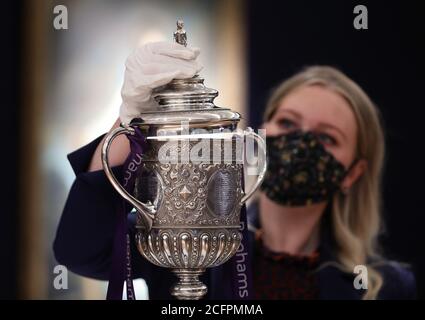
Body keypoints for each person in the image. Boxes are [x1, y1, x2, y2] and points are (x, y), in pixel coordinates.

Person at [54, 41, 416, 300]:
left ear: (353, 173)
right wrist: (131, 121)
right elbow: (81, 249)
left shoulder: (388, 287)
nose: (300, 143)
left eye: (326, 138)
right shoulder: (190, 227)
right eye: (287, 124)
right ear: (261, 136)